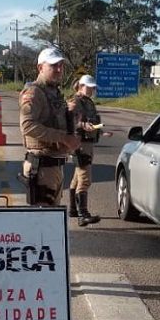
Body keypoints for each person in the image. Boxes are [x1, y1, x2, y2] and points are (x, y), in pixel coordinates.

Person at [18, 47, 81, 206]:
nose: (59, 69)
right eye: (53, 66)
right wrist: (64, 138)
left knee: (51, 220)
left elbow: (56, 121)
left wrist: (72, 116)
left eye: (61, 65)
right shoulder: (34, 92)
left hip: (54, 167)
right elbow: (27, 125)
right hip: (41, 168)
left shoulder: (54, 92)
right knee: (42, 222)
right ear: (40, 68)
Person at [68, 74, 102, 226]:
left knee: (77, 176)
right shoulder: (75, 102)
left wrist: (100, 130)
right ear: (81, 86)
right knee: (85, 178)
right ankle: (83, 214)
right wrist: (82, 125)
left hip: (87, 141)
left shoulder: (87, 101)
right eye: (90, 87)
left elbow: (91, 120)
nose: (92, 90)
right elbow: (70, 120)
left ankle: (73, 209)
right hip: (79, 143)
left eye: (93, 87)